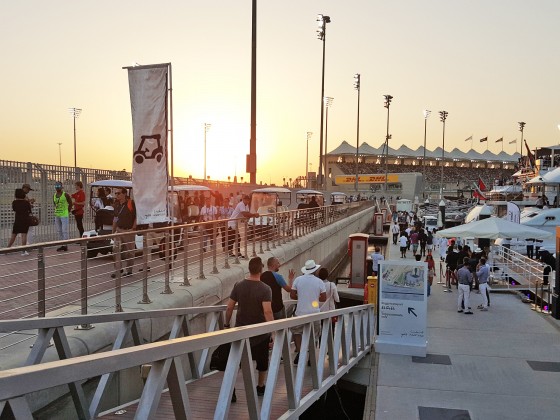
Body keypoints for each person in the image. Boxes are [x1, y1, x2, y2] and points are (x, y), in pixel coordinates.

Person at [225, 257, 274, 397]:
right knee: (262, 360)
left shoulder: (238, 285)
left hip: (240, 331)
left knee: (236, 362)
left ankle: (231, 390)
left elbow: (229, 308)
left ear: (249, 269)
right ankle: (260, 386)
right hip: (260, 333)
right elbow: (267, 311)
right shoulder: (266, 289)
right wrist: (273, 332)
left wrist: (226, 325)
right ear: (261, 270)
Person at [290, 259, 327, 365]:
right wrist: (314, 297)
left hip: (300, 312)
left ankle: (300, 353)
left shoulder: (298, 279)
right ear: (315, 271)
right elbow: (324, 298)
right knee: (314, 335)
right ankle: (311, 357)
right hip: (314, 313)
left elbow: (292, 295)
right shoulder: (319, 282)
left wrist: (301, 296)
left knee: (297, 332)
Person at [111, 187, 137, 278]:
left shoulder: (131, 203)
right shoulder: (116, 204)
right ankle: (118, 269)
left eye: (118, 193)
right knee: (115, 249)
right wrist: (113, 231)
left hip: (128, 230)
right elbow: (115, 218)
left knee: (129, 252)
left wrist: (133, 228)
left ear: (124, 194)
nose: (117, 195)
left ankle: (129, 270)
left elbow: (136, 216)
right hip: (119, 230)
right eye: (116, 194)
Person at [7, 189, 32, 255]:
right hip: (25, 220)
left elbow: (14, 209)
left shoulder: (14, 202)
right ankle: (23, 251)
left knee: (13, 235)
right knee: (24, 235)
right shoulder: (26, 202)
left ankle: (7, 249)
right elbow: (29, 210)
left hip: (17, 220)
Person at [53, 182, 73, 252]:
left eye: (58, 186)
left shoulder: (65, 194)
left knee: (64, 230)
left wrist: (68, 211)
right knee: (59, 230)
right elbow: (54, 204)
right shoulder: (54, 195)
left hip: (64, 215)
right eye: (56, 186)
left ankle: (65, 245)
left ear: (61, 187)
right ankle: (62, 244)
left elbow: (70, 203)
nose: (57, 187)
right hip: (57, 214)